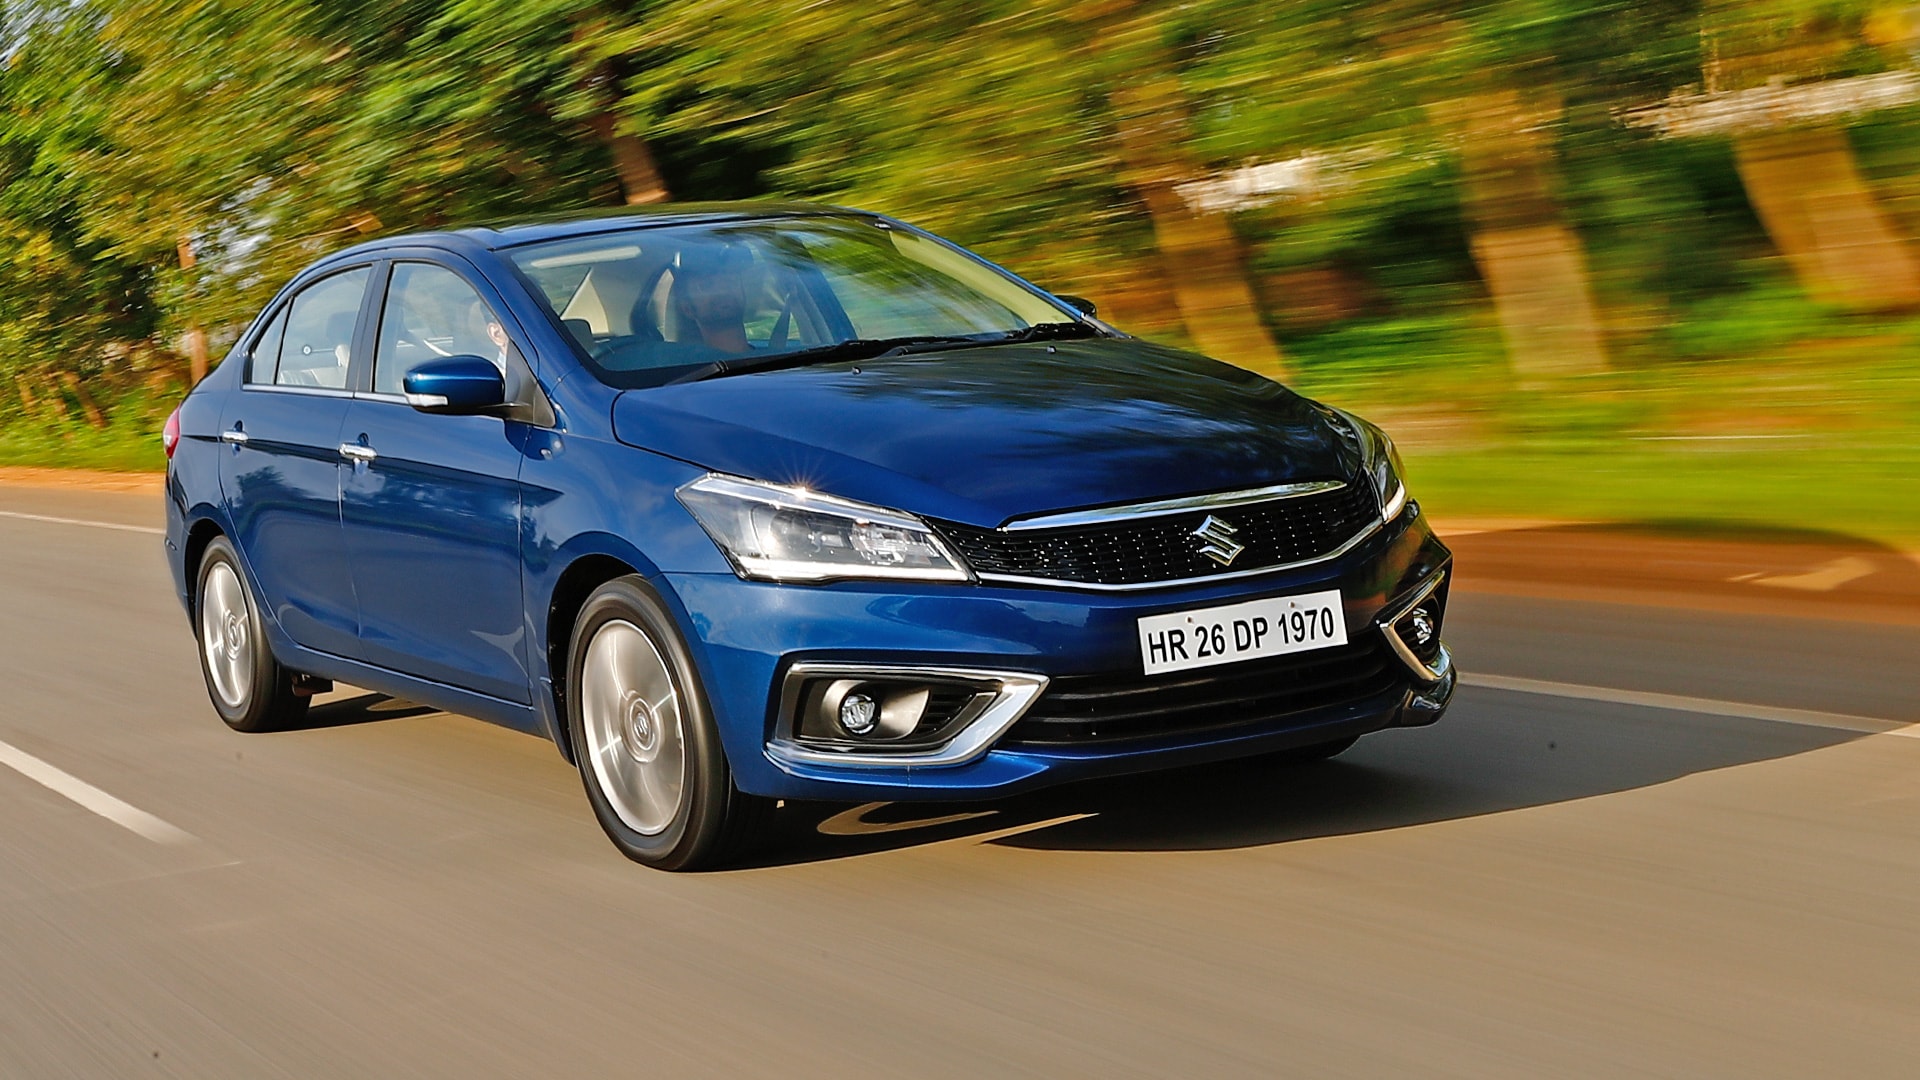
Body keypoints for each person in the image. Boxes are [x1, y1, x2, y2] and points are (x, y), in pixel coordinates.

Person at [669, 250, 752, 355]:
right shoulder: (677, 367)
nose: (723, 290)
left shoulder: (777, 358)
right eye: (706, 285)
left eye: (730, 281)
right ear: (687, 308)